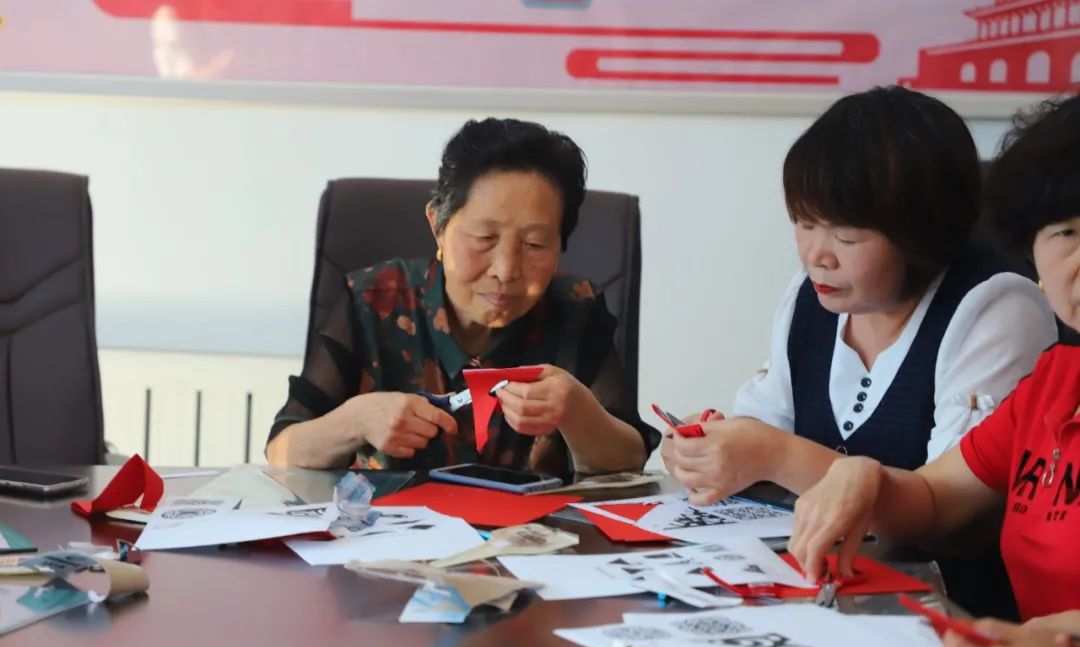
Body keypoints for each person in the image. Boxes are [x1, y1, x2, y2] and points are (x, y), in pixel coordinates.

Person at [660, 85, 1057, 617]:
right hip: (826, 597)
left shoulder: (994, 306)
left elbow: (959, 519)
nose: (816, 257)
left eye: (846, 237)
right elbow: (762, 425)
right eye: (803, 224)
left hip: (955, 617)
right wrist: (709, 449)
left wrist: (772, 453)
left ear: (921, 233)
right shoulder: (810, 298)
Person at [790, 93, 1080, 647]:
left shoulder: (990, 311)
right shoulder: (1057, 381)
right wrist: (863, 476)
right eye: (1067, 232)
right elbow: (939, 500)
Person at [266, 118, 658, 476]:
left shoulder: (576, 309)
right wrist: (354, 421)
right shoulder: (373, 300)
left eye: (535, 244)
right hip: (393, 546)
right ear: (438, 225)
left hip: (532, 545)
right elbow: (282, 451)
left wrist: (577, 412)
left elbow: (630, 462)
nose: (506, 270)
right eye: (484, 238)